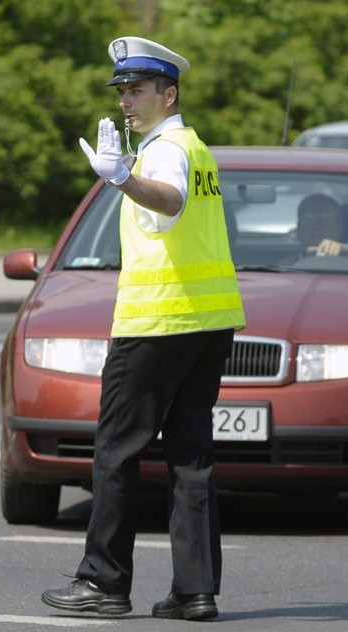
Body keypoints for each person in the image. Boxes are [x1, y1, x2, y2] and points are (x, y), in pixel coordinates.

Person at [41, 36, 245, 621]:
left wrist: (124, 177)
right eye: (123, 91)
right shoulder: (195, 145)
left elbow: (171, 200)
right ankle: (195, 591)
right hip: (208, 324)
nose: (127, 101)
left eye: (138, 90)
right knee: (191, 459)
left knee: (116, 452)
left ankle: (103, 583)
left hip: (157, 324)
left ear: (169, 93)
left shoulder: (163, 151)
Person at [295, 193, 348, 263]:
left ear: (340, 229)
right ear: (299, 230)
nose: (318, 226)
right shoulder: (286, 268)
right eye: (310, 219)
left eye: (326, 220)